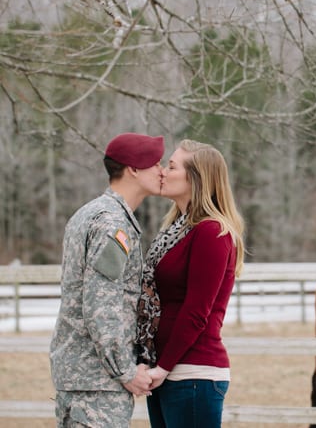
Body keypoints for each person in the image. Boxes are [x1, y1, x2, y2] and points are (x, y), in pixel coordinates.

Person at [50, 132, 164, 427]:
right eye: (156, 164)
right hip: (97, 383)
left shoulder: (90, 213)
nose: (161, 171)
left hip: (83, 377)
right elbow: (102, 304)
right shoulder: (112, 224)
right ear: (134, 170)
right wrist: (125, 370)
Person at [136, 139, 246, 428]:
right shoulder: (176, 231)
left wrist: (163, 367)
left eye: (171, 166)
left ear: (196, 178)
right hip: (167, 371)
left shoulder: (212, 232)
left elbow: (197, 310)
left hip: (193, 373)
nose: (162, 172)